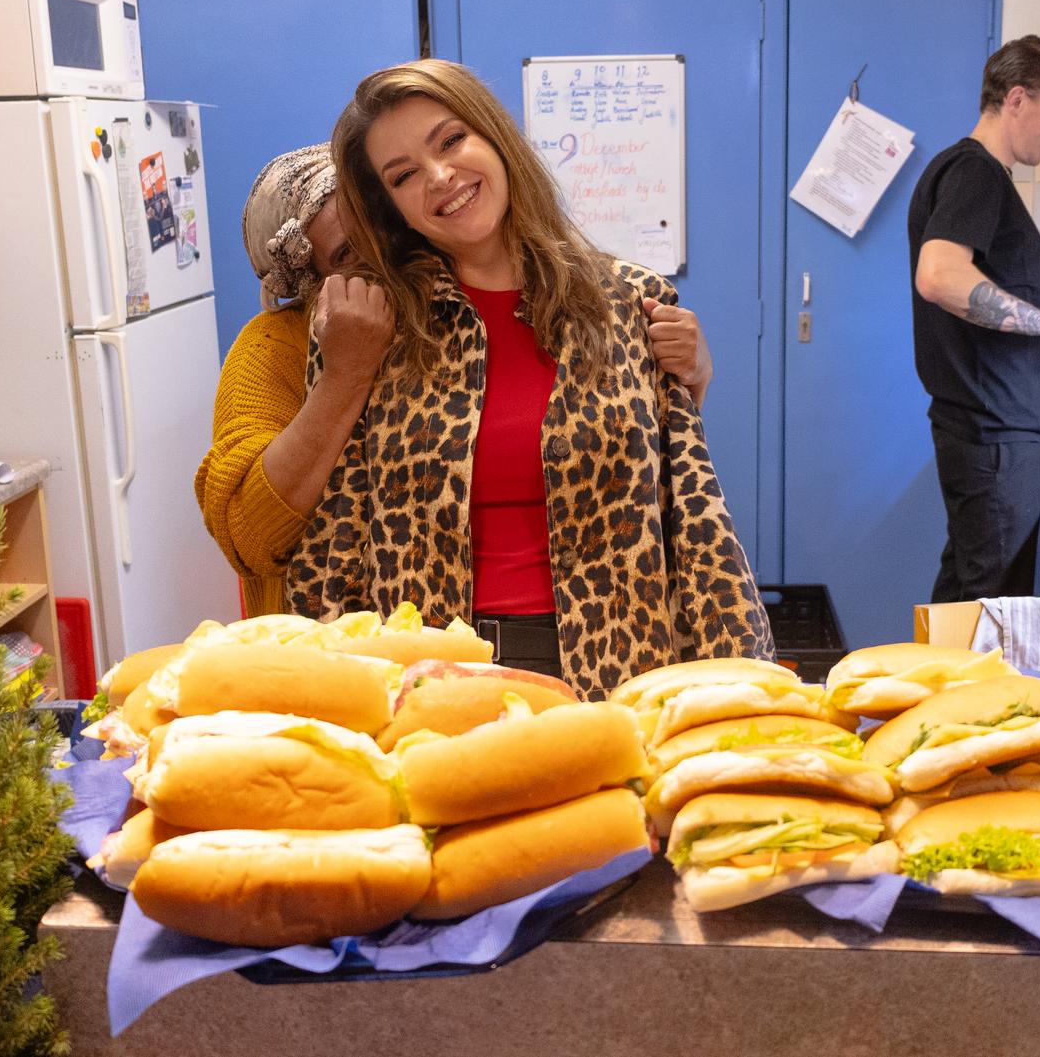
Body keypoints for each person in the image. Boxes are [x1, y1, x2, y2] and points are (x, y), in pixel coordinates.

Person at [282, 60, 769, 697]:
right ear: (390, 207)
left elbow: (691, 513)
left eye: (451, 140)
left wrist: (740, 673)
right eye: (403, 176)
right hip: (437, 678)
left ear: (494, 136)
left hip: (621, 666)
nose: (440, 177)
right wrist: (322, 691)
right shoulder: (372, 326)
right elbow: (336, 533)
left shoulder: (628, 302)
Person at [195, 143, 715, 618]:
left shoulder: (456, 312)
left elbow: (609, 457)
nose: (384, 258)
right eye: (350, 255)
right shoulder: (275, 346)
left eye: (387, 230)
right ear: (309, 285)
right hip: (339, 654)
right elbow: (249, 538)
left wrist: (689, 377)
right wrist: (343, 375)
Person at [907, 35, 1040, 603]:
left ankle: (925, 694)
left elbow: (982, 317)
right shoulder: (975, 174)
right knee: (992, 611)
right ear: (1018, 100)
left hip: (986, 433)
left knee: (966, 598)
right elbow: (939, 276)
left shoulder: (967, 173)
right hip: (992, 438)